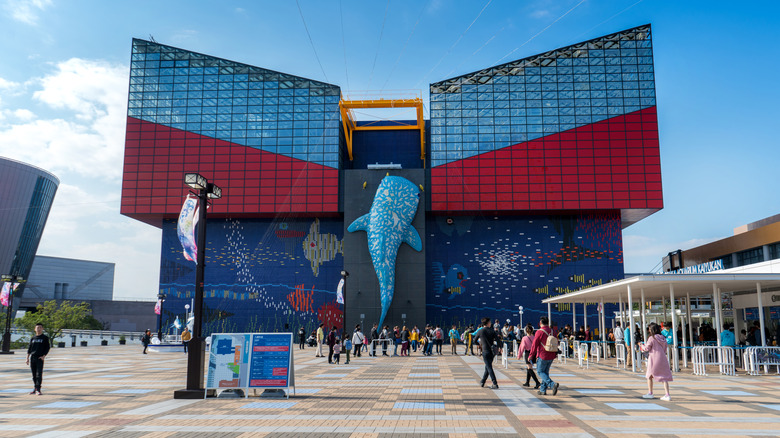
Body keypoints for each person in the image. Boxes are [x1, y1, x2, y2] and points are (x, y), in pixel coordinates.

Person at [640, 322, 673, 401]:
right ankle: (667, 394)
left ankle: (650, 393)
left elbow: (647, 348)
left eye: (649, 329)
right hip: (663, 358)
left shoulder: (652, 338)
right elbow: (665, 349)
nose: (649, 330)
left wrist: (641, 346)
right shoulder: (663, 338)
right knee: (664, 377)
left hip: (653, 358)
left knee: (649, 375)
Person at [529, 316, 559, 396]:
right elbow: (557, 342)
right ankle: (542, 390)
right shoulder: (552, 331)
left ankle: (552, 384)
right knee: (545, 372)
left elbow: (534, 345)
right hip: (551, 354)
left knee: (540, 372)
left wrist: (531, 355)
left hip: (543, 355)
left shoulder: (539, 332)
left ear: (540, 323)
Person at [474, 317, 500, 389]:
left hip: (485, 351)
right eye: (490, 322)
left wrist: (479, 344)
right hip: (492, 352)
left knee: (489, 367)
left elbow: (474, 340)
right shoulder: (492, 331)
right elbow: (498, 340)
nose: (491, 323)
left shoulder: (480, 331)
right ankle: (482, 381)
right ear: (488, 323)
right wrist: (499, 347)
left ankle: (495, 383)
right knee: (487, 367)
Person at [26, 323, 50, 395]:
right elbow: (29, 349)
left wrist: (43, 356)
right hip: (32, 357)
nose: (38, 329)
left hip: (39, 358)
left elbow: (47, 348)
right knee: (33, 375)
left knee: (38, 374)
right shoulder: (33, 338)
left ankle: (38, 389)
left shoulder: (44, 338)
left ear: (42, 329)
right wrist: (27, 358)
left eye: (40, 327)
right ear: (35, 329)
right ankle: (35, 388)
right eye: (37, 327)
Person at [518, 324, 540, 389]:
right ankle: (527, 382)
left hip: (528, 353)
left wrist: (519, 355)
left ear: (526, 331)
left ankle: (537, 382)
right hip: (534, 353)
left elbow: (522, 347)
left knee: (529, 368)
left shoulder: (524, 338)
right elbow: (538, 346)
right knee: (529, 368)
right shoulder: (535, 337)